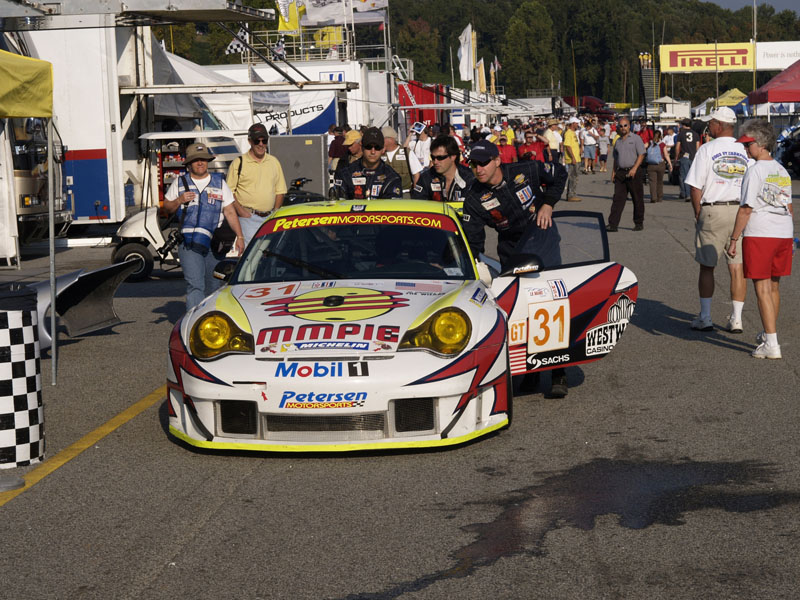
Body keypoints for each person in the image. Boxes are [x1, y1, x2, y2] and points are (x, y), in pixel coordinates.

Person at [461, 139, 570, 398]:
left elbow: (560, 173)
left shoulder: (527, 170)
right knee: (520, 309)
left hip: (542, 236)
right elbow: (473, 238)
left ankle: (559, 372)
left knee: (552, 305)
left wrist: (548, 203)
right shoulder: (474, 197)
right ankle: (530, 371)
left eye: (484, 162)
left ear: (497, 160)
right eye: (474, 164)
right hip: (511, 247)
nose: (479, 169)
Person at [726, 120, 792, 358]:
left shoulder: (754, 170)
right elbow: (789, 205)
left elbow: (745, 208)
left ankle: (772, 343)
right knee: (774, 286)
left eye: (749, 144)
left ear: (762, 145)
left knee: (762, 287)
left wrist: (734, 239)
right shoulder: (781, 169)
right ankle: (768, 334)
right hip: (783, 231)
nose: (746, 149)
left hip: (761, 232)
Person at [684, 107, 749, 332]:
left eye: (711, 123)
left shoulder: (707, 149)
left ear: (720, 125)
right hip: (740, 210)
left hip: (714, 208)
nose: (708, 126)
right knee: (737, 267)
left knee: (707, 266)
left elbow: (694, 185)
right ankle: (737, 318)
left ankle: (705, 316)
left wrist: (697, 211)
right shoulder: (745, 149)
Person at [164, 143, 245, 309]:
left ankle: (210, 324)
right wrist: (179, 200)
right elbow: (167, 207)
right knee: (195, 286)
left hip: (215, 244)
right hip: (189, 244)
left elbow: (230, 212)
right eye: (195, 160)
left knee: (213, 287)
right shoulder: (180, 183)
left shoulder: (219, 182)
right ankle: (193, 323)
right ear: (189, 164)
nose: (200, 163)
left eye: (203, 159)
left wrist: (240, 236)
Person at [226, 123, 287, 246]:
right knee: (252, 259)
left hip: (269, 218)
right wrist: (242, 213)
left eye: (264, 140)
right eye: (256, 140)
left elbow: (280, 191)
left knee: (268, 256)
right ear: (250, 141)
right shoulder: (238, 163)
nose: (261, 144)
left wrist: (275, 213)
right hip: (248, 219)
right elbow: (229, 192)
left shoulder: (274, 162)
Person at [332, 127, 402, 200]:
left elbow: (391, 209)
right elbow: (340, 205)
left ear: (383, 149)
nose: (373, 152)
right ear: (362, 147)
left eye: (377, 147)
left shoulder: (392, 177)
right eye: (369, 147)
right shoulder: (346, 174)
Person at [606, 116, 646, 232]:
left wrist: (634, 168)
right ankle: (613, 224)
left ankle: (638, 223)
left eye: (625, 125)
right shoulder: (617, 141)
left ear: (629, 126)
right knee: (618, 199)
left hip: (633, 172)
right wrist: (613, 172)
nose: (623, 128)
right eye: (621, 126)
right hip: (621, 173)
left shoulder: (636, 138)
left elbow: (641, 155)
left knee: (637, 198)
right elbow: (615, 158)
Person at [411, 134, 474, 202]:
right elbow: (417, 204)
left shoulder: (469, 178)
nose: (435, 162)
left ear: (453, 157)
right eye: (433, 157)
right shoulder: (426, 178)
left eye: (440, 158)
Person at [381, 126, 423, 196]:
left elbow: (416, 175)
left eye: (382, 139)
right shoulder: (379, 154)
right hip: (385, 195)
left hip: (405, 194)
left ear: (390, 139)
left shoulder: (407, 153)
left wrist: (416, 194)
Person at [674, 118, 699, 201]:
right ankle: (687, 193)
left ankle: (686, 193)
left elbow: (677, 147)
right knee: (692, 176)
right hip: (693, 157)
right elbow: (697, 147)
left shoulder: (681, 134)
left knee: (684, 175)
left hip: (684, 156)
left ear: (683, 125)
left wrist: (676, 157)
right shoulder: (695, 134)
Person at [645, 130, 671, 203]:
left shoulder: (649, 143)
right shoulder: (662, 144)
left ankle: (653, 197)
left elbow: (642, 149)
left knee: (652, 182)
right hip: (660, 164)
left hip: (651, 165)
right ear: (660, 136)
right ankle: (659, 197)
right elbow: (666, 155)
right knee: (659, 182)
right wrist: (670, 164)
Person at [563, 116, 582, 202]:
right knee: (572, 177)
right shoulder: (568, 133)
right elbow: (567, 146)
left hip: (576, 158)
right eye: (576, 123)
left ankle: (573, 193)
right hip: (572, 159)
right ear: (573, 123)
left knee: (575, 177)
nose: (577, 124)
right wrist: (573, 157)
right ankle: (571, 195)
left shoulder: (573, 132)